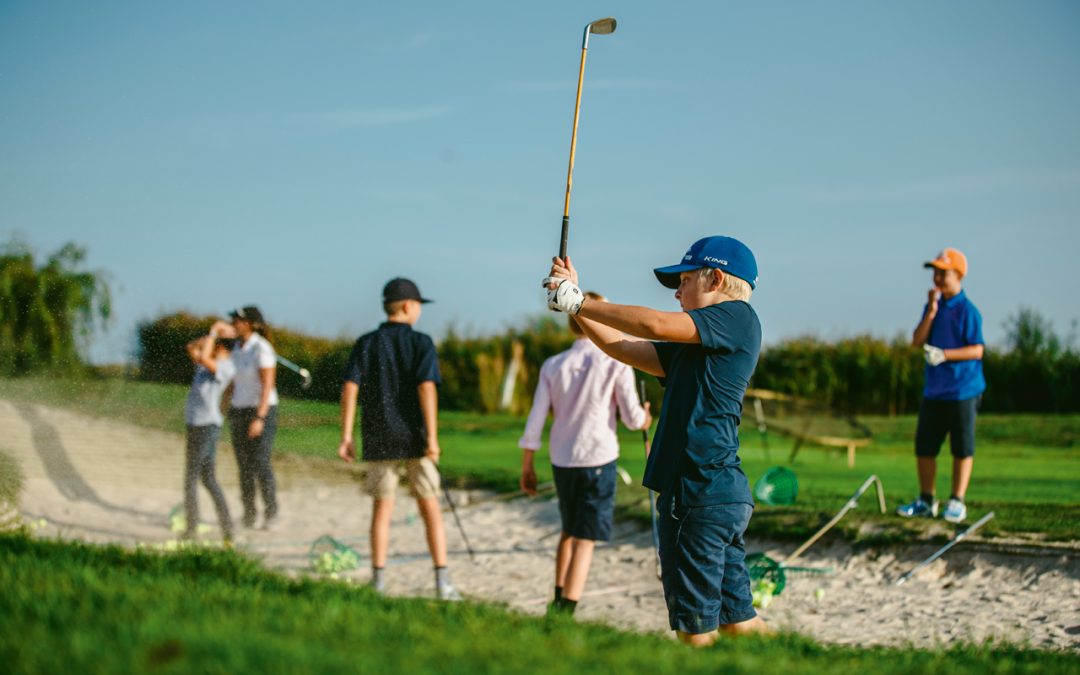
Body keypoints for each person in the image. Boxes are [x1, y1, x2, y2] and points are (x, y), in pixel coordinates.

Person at [543, 235, 769, 647]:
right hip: (714, 492)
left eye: (683, 282)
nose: (678, 293)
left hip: (696, 490)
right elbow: (628, 348)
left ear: (716, 279)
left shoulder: (736, 317)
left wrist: (580, 302)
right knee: (738, 622)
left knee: (695, 630)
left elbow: (654, 323)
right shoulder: (697, 344)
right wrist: (575, 309)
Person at [518, 293, 652, 616]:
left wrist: (527, 465)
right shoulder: (616, 360)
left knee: (569, 528)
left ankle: (558, 597)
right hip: (597, 457)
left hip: (562, 458)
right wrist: (646, 417)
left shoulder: (553, 364)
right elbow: (633, 419)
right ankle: (566, 610)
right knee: (585, 537)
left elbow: (536, 419)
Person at [337, 278, 460, 601]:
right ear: (408, 306)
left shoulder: (367, 342)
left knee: (382, 510)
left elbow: (350, 387)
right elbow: (426, 388)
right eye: (419, 305)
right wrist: (433, 437)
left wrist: (346, 435)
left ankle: (378, 581)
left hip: (379, 436)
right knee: (430, 507)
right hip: (416, 439)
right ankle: (442, 582)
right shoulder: (422, 343)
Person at [897, 248, 985, 524]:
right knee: (925, 446)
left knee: (961, 447)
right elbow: (916, 341)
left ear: (958, 274)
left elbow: (977, 350)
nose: (936, 276)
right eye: (935, 271)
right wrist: (931, 312)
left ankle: (957, 501)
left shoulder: (968, 310)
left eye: (942, 272)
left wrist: (945, 354)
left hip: (962, 389)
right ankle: (926, 500)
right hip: (934, 390)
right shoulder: (933, 306)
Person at [219, 306, 280, 530]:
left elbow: (267, 385)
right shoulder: (236, 349)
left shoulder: (261, 348)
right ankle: (249, 513)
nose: (234, 323)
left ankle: (271, 512)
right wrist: (223, 407)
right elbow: (233, 382)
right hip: (239, 409)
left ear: (251, 324)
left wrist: (260, 417)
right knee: (243, 465)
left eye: (239, 320)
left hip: (261, 410)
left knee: (260, 463)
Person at [181, 326, 236, 543]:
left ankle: (192, 527)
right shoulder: (208, 364)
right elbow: (191, 348)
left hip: (205, 425)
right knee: (207, 478)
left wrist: (214, 333)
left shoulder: (226, 366)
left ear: (220, 346)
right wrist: (210, 336)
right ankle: (227, 526)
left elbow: (203, 356)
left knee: (191, 478)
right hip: (197, 424)